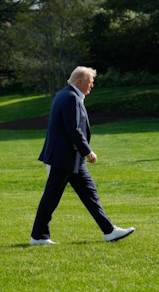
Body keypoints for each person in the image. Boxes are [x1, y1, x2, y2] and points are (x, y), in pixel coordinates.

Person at [30, 66, 134, 245]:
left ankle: (109, 231)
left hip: (70, 158)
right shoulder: (71, 97)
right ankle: (38, 236)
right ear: (80, 82)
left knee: (89, 194)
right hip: (65, 157)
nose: (92, 85)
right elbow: (74, 129)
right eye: (90, 82)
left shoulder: (66, 95)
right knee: (51, 196)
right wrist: (88, 151)